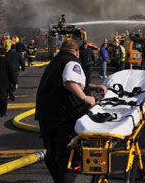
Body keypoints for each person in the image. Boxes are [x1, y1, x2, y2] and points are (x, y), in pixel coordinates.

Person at [35, 39, 106, 183]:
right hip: (65, 119)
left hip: (46, 118)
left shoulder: (55, 63)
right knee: (69, 159)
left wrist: (91, 87)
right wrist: (86, 98)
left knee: (52, 155)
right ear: (77, 52)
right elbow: (70, 81)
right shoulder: (72, 62)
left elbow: (66, 82)